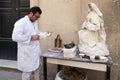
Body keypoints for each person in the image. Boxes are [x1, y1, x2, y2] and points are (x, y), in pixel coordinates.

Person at [12, 6, 51, 80]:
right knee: (27, 72)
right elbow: (15, 37)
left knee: (38, 69)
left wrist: (44, 34)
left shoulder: (34, 22)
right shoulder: (21, 23)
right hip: (27, 53)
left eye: (39, 17)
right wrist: (30, 37)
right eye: (36, 16)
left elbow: (37, 32)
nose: (37, 18)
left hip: (36, 51)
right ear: (31, 13)